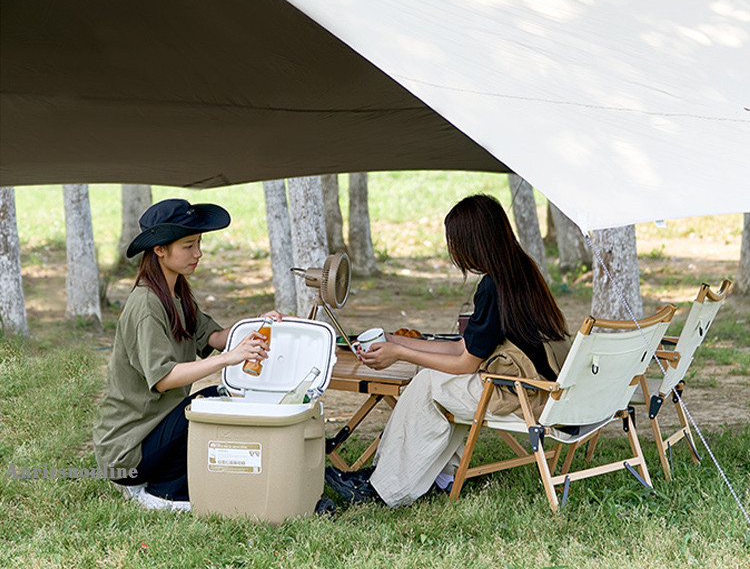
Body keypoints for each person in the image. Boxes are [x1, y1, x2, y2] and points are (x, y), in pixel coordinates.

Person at [325, 193, 570, 507]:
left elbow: (466, 364)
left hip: (524, 395)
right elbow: (464, 347)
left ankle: (382, 488)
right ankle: (438, 478)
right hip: (542, 388)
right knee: (433, 379)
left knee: (429, 382)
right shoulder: (521, 269)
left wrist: (399, 354)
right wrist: (395, 340)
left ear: (472, 242)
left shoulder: (493, 287)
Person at [93, 198, 280, 512]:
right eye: (188, 246)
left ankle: (169, 482)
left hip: (155, 429)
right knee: (207, 404)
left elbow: (214, 337)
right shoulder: (147, 305)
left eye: (199, 243)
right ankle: (159, 495)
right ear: (160, 250)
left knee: (217, 398)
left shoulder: (177, 293)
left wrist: (257, 326)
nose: (198, 253)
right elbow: (164, 379)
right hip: (126, 451)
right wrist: (228, 358)